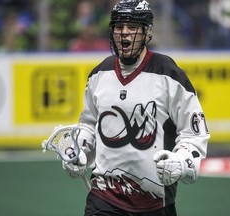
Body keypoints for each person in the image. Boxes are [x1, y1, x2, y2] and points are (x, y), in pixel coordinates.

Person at [59, 0, 210, 215]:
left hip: (155, 203)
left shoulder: (169, 74)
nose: (125, 33)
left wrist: (181, 161)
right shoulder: (99, 74)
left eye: (132, 27)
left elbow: (195, 134)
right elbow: (89, 125)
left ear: (146, 32)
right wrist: (79, 151)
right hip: (103, 197)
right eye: (119, 27)